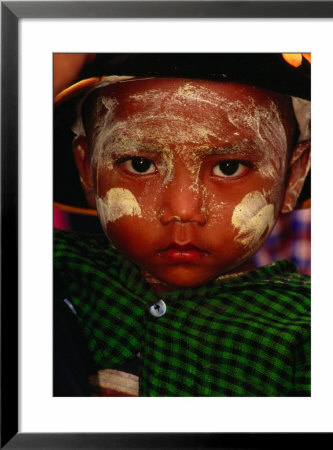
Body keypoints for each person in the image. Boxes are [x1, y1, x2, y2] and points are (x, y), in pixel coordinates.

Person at [54, 53, 311, 396]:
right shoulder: (56, 269)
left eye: (230, 168)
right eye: (141, 164)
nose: (183, 209)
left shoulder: (310, 327)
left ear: (292, 176)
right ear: (87, 171)